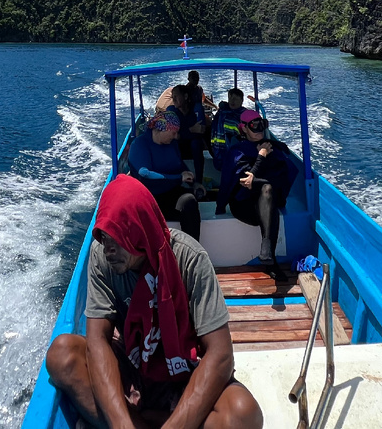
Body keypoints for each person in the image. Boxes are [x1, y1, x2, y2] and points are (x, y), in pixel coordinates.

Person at [46, 176, 263, 429]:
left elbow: (221, 354)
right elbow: (98, 341)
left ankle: (151, 420)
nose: (107, 249)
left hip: (184, 368)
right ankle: (139, 422)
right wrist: (122, 424)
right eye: (103, 236)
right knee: (62, 355)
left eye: (116, 237)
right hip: (133, 361)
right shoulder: (102, 257)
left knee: (243, 414)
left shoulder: (190, 259)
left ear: (139, 231)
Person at [214, 111, 298, 267]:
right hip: (244, 206)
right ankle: (271, 260)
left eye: (262, 125)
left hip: (267, 203)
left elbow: (281, 179)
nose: (259, 130)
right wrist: (261, 157)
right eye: (254, 126)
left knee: (268, 190)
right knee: (267, 190)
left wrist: (257, 178)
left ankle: (268, 254)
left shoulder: (273, 149)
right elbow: (241, 181)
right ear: (244, 128)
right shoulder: (237, 151)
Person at [127, 111, 201, 239]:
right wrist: (178, 178)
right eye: (173, 133)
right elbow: (144, 175)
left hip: (170, 193)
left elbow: (179, 165)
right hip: (148, 198)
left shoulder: (172, 144)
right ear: (161, 129)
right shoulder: (140, 144)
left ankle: (192, 247)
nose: (176, 136)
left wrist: (194, 183)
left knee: (189, 201)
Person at [208, 88, 246, 171]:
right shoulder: (222, 112)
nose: (232, 101)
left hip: (236, 149)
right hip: (219, 147)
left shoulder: (244, 115)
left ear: (241, 100)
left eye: (235, 98)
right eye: (230, 98)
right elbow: (214, 127)